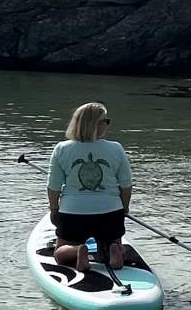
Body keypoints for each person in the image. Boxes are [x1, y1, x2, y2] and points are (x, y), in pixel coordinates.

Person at [47, 102, 134, 274]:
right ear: (98, 124)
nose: (108, 125)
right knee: (112, 244)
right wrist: (124, 208)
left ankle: (77, 250)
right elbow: (126, 185)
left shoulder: (61, 149)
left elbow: (53, 186)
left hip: (73, 213)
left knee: (60, 254)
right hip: (110, 213)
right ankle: (113, 250)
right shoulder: (116, 148)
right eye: (106, 121)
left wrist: (54, 209)